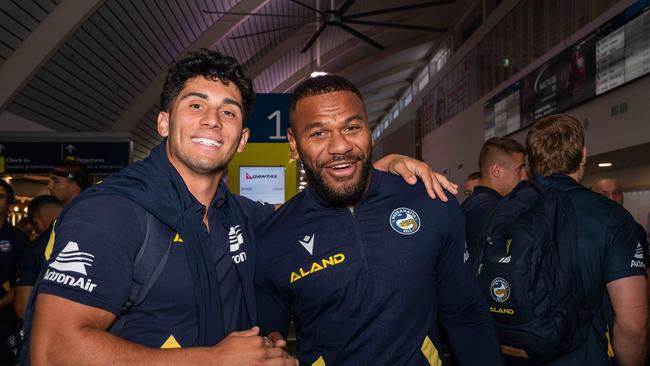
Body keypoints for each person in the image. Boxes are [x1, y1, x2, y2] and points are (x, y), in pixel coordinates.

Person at [23, 49, 456, 365]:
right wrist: (211, 361)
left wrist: (373, 173)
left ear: (242, 139)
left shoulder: (246, 217)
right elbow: (53, 349)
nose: (212, 120)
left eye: (228, 112)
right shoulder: (112, 212)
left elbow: (318, 212)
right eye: (196, 105)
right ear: (163, 122)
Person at [254, 75, 503, 365]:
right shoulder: (273, 237)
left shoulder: (430, 202)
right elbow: (269, 337)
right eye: (319, 133)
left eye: (351, 127)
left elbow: (466, 314)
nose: (340, 146)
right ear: (294, 145)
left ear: (369, 132)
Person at [525, 114, 646, 365]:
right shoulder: (612, 217)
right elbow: (632, 325)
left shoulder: (507, 210)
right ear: (582, 155)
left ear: (532, 160)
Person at [462, 137, 526, 262]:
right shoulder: (498, 211)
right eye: (519, 169)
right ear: (496, 171)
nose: (524, 176)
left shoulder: (467, 205)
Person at [14, 196, 63, 321]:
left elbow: (22, 309)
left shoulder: (35, 249)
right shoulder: (90, 236)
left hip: (47, 328)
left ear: (37, 223)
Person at [0, 179, 29, 365]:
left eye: (1, 196)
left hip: (5, 318)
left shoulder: (17, 238)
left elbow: (23, 281)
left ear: (9, 201)